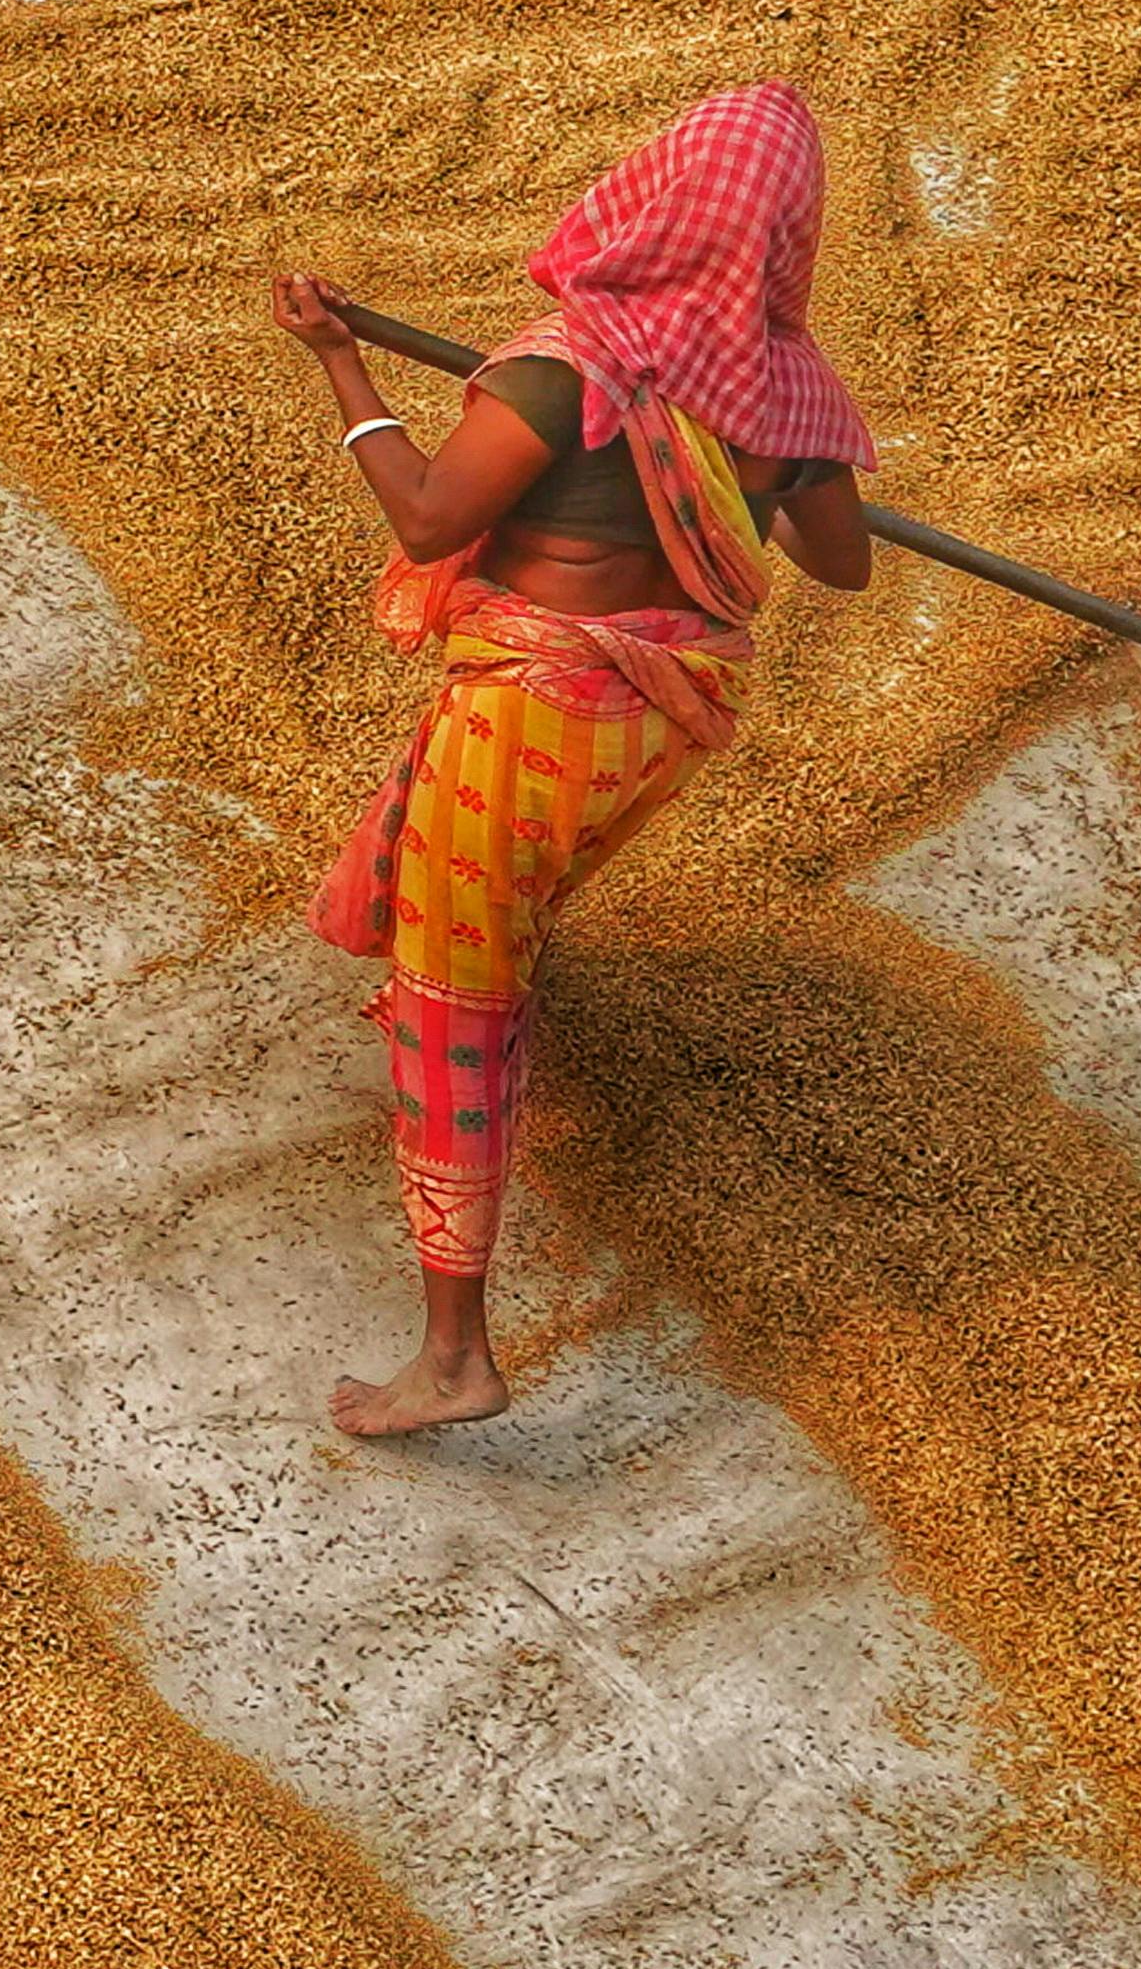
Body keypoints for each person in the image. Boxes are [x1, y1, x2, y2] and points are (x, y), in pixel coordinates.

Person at [270, 82, 879, 1438]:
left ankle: (455, 1358)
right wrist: (760, 477)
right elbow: (842, 564)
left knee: (455, 1001)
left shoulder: (568, 368)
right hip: (651, 727)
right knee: (507, 885)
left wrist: (342, 367)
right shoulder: (790, 391)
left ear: (657, 200)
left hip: (535, 721)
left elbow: (429, 520)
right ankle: (477, 938)